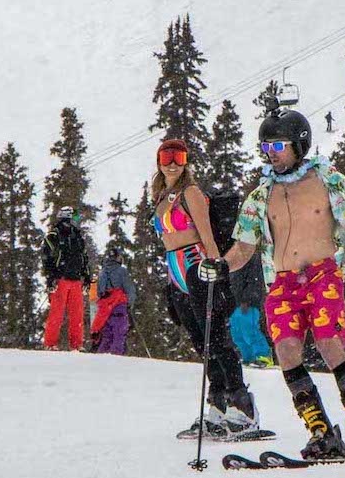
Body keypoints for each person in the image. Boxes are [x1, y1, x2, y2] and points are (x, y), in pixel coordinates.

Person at [218, 108, 345, 459]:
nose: (271, 153)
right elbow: (244, 248)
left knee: (329, 342)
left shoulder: (327, 179)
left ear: (299, 144)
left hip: (322, 273)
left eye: (278, 145)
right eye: (265, 146)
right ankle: (320, 431)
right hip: (282, 283)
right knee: (285, 351)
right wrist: (219, 267)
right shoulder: (261, 194)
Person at [151, 139, 258, 438]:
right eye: (167, 156)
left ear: (186, 161)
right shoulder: (161, 196)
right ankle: (218, 404)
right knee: (201, 340)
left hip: (196, 263)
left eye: (179, 156)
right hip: (176, 268)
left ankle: (242, 403)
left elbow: (207, 234)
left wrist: (217, 271)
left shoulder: (191, 193)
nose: (172, 163)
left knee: (217, 336)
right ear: (159, 161)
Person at [41, 206, 92, 351]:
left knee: (77, 314)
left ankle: (77, 344)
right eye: (73, 217)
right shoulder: (54, 235)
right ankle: (50, 343)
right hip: (60, 278)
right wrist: (50, 276)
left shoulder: (77, 235)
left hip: (75, 278)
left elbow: (84, 257)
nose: (74, 221)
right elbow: (47, 257)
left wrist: (86, 275)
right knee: (56, 312)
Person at [92, 248, 137, 354]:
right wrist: (130, 304)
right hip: (118, 305)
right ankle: (116, 359)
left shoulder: (102, 272)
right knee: (119, 335)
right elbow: (129, 288)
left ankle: (100, 358)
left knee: (107, 336)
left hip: (105, 309)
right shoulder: (122, 271)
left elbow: (99, 292)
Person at [230, 300, 273, 367]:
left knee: (251, 332)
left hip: (248, 304)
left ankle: (263, 356)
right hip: (234, 304)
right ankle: (249, 357)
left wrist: (247, 300)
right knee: (238, 335)